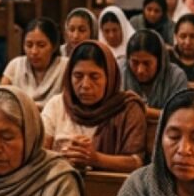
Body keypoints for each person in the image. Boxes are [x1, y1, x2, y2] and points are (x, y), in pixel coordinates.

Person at [41, 40, 146, 173]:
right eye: (78, 76)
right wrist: (63, 158)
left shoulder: (126, 108)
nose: (85, 85)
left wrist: (96, 159)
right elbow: (40, 153)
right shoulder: (57, 105)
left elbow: (136, 163)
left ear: (109, 77)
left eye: (94, 77)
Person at [1, 17, 67, 107]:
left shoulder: (65, 66)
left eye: (41, 45)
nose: (34, 51)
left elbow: (67, 105)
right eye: (29, 45)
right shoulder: (15, 65)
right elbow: (0, 99)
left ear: (54, 46)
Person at [124, 28, 188, 118]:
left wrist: (143, 111)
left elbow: (179, 115)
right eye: (135, 62)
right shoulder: (120, 72)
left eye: (147, 63)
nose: (140, 70)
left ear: (160, 61)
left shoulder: (176, 77)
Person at [99, 5, 135, 72]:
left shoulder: (135, 45)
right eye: (106, 31)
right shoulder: (99, 49)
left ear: (123, 28)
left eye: (115, 30)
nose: (111, 35)